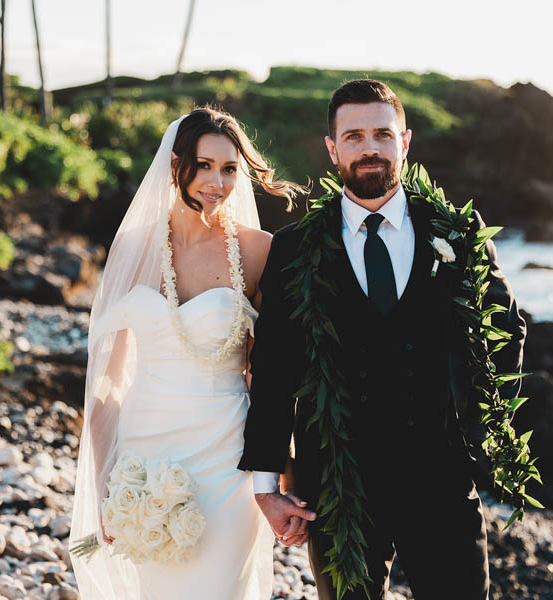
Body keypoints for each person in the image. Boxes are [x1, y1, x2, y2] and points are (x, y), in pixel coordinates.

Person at [239, 80, 527, 600]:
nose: (369, 148)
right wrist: (267, 489)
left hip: (439, 480)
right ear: (332, 148)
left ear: (405, 142)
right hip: (337, 487)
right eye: (353, 136)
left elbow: (504, 331)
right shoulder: (294, 248)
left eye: (381, 134)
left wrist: (481, 432)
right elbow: (275, 370)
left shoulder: (456, 233)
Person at [69, 106, 310, 599]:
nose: (216, 182)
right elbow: (108, 384)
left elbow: (274, 374)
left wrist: (284, 474)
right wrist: (104, 485)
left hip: (227, 456)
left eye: (228, 169)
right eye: (204, 166)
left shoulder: (258, 250)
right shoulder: (133, 249)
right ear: (176, 163)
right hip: (145, 451)